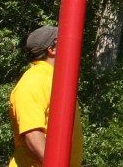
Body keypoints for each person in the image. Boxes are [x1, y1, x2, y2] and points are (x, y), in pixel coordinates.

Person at [8, 26, 83, 167]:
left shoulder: (55, 81)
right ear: (52, 49)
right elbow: (32, 134)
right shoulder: (35, 80)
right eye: (66, 42)